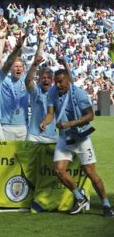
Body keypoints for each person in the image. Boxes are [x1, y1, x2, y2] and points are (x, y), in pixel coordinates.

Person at [40, 69, 114, 217]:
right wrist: (44, 122)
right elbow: (50, 113)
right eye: (56, 82)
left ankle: (106, 204)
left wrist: (70, 123)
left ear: (68, 80)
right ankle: (80, 198)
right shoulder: (52, 92)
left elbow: (90, 115)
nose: (58, 85)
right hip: (65, 138)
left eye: (61, 81)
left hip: (81, 138)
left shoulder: (79, 93)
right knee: (59, 170)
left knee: (91, 173)